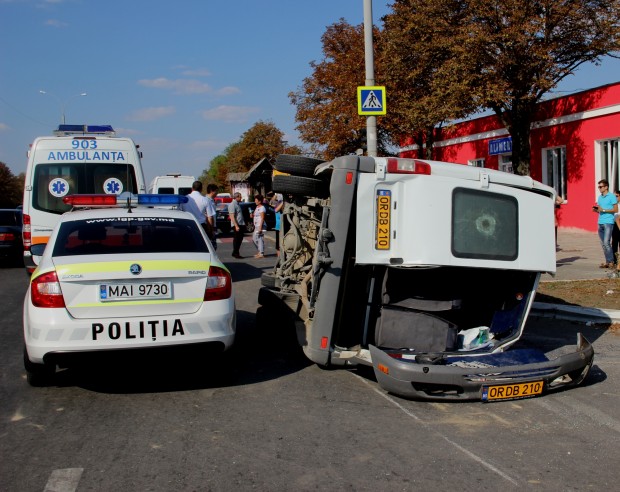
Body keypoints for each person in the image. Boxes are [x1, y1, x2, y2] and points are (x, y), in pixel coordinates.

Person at [593, 179, 618, 268]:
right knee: (603, 244)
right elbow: (600, 210)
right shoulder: (600, 197)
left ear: (606, 187)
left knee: (606, 242)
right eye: (598, 187)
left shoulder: (612, 196)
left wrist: (603, 210)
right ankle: (608, 261)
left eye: (601, 187)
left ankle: (611, 262)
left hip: (608, 222)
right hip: (600, 222)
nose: (599, 188)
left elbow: (615, 210)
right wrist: (596, 210)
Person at [228, 192, 245, 258]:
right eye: (240, 197)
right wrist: (236, 226)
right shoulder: (232, 204)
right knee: (237, 239)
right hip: (237, 225)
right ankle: (236, 253)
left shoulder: (237, 204)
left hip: (240, 224)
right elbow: (232, 216)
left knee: (240, 239)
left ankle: (235, 252)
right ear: (236, 197)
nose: (241, 198)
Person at [205, 184, 218, 250]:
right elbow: (209, 216)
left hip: (213, 225)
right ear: (211, 191)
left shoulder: (212, 200)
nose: (217, 193)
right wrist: (211, 229)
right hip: (210, 226)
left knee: (214, 246)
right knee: (212, 246)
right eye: (216, 191)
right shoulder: (207, 200)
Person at [251, 194, 266, 258]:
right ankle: (260, 251)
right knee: (254, 239)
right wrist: (252, 215)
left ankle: (261, 253)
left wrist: (260, 227)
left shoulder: (262, 208)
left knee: (259, 239)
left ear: (259, 201)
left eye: (256, 200)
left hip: (260, 225)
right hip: (256, 225)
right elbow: (255, 215)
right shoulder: (257, 207)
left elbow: (262, 218)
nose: (255, 201)